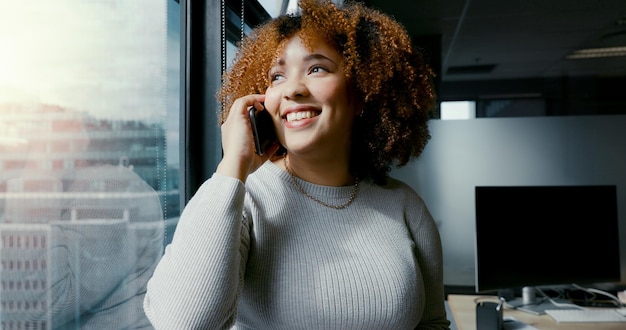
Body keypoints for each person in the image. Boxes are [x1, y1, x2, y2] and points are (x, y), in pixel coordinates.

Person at [144, 0, 449, 329]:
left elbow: (432, 323)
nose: (292, 89)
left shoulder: (404, 206)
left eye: (316, 68)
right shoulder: (241, 200)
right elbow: (182, 324)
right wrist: (233, 163)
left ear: (360, 93)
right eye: (277, 76)